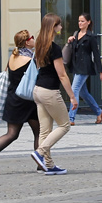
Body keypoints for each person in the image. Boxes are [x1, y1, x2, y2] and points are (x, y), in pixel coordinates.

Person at [0, 30, 41, 175]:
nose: (34, 40)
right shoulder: (30, 59)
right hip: (27, 100)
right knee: (39, 132)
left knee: (12, 133)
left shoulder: (13, 57)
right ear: (27, 42)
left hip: (13, 99)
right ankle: (41, 163)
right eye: (32, 38)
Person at [30, 14, 77, 175]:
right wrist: (72, 96)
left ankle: (48, 165)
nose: (61, 28)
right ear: (53, 27)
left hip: (38, 90)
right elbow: (62, 75)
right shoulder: (54, 48)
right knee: (64, 125)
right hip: (50, 91)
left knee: (45, 131)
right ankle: (40, 152)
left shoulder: (39, 45)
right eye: (59, 25)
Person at [66, 13, 102, 126]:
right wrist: (70, 41)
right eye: (79, 21)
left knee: (74, 90)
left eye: (82, 21)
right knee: (84, 93)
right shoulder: (75, 34)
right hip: (75, 66)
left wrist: (101, 72)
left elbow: (97, 56)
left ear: (88, 22)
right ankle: (99, 112)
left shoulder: (91, 37)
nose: (80, 23)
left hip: (85, 67)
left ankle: (71, 118)